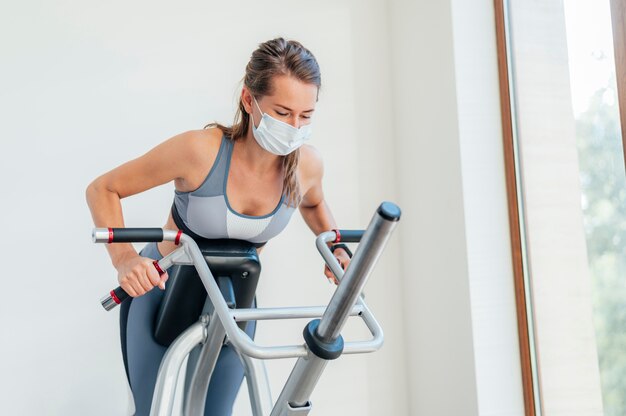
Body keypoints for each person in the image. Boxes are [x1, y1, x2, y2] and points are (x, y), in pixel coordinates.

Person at [85, 37, 351, 416]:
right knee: (151, 410)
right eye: (282, 112)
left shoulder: (306, 165)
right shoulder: (200, 151)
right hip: (162, 292)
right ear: (249, 100)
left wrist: (335, 248)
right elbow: (103, 188)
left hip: (234, 303)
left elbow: (314, 203)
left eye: (305, 116)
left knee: (217, 413)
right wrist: (124, 259)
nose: (294, 127)